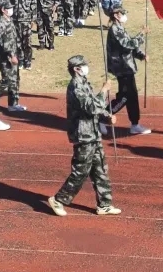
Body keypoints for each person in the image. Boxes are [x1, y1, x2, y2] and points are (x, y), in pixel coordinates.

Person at [46, 55, 121, 217]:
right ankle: (59, 199)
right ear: (76, 69)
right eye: (84, 65)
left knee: (100, 169)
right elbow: (90, 107)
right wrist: (104, 91)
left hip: (93, 133)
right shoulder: (75, 86)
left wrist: (107, 116)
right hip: (84, 135)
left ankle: (104, 204)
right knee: (81, 171)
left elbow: (94, 105)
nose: (87, 67)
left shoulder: (84, 83)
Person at [106, 6, 149, 135]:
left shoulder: (120, 28)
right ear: (116, 15)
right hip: (122, 68)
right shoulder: (114, 30)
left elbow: (129, 47)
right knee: (124, 97)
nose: (125, 16)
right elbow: (127, 44)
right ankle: (102, 117)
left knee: (132, 96)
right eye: (122, 13)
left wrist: (141, 55)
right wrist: (142, 34)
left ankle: (135, 124)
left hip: (127, 68)